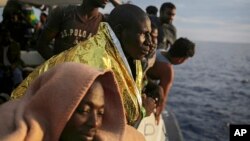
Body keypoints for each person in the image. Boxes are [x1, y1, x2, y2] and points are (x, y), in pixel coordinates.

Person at [11, 4, 156, 126]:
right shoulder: (96, 66)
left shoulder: (128, 56)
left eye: (150, 35)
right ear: (119, 32)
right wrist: (143, 111)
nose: (150, 42)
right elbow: (108, 130)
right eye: (144, 34)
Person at [0, 62, 145, 141]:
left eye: (101, 113)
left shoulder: (104, 135)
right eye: (84, 111)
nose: (94, 123)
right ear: (54, 107)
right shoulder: (10, 127)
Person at [37, 0, 121, 60]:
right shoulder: (63, 13)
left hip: (87, 78)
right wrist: (57, 66)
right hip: (60, 77)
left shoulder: (104, 22)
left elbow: (130, 17)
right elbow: (42, 45)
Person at [147, 37, 195, 123]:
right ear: (181, 59)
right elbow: (162, 97)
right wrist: (157, 115)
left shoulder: (159, 51)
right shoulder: (168, 70)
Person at [0, 26, 23, 95]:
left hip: (13, 66)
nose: (6, 38)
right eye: (4, 36)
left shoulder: (15, 45)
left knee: (17, 74)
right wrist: (3, 66)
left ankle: (19, 93)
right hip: (2, 67)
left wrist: (13, 66)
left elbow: (18, 59)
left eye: (7, 36)